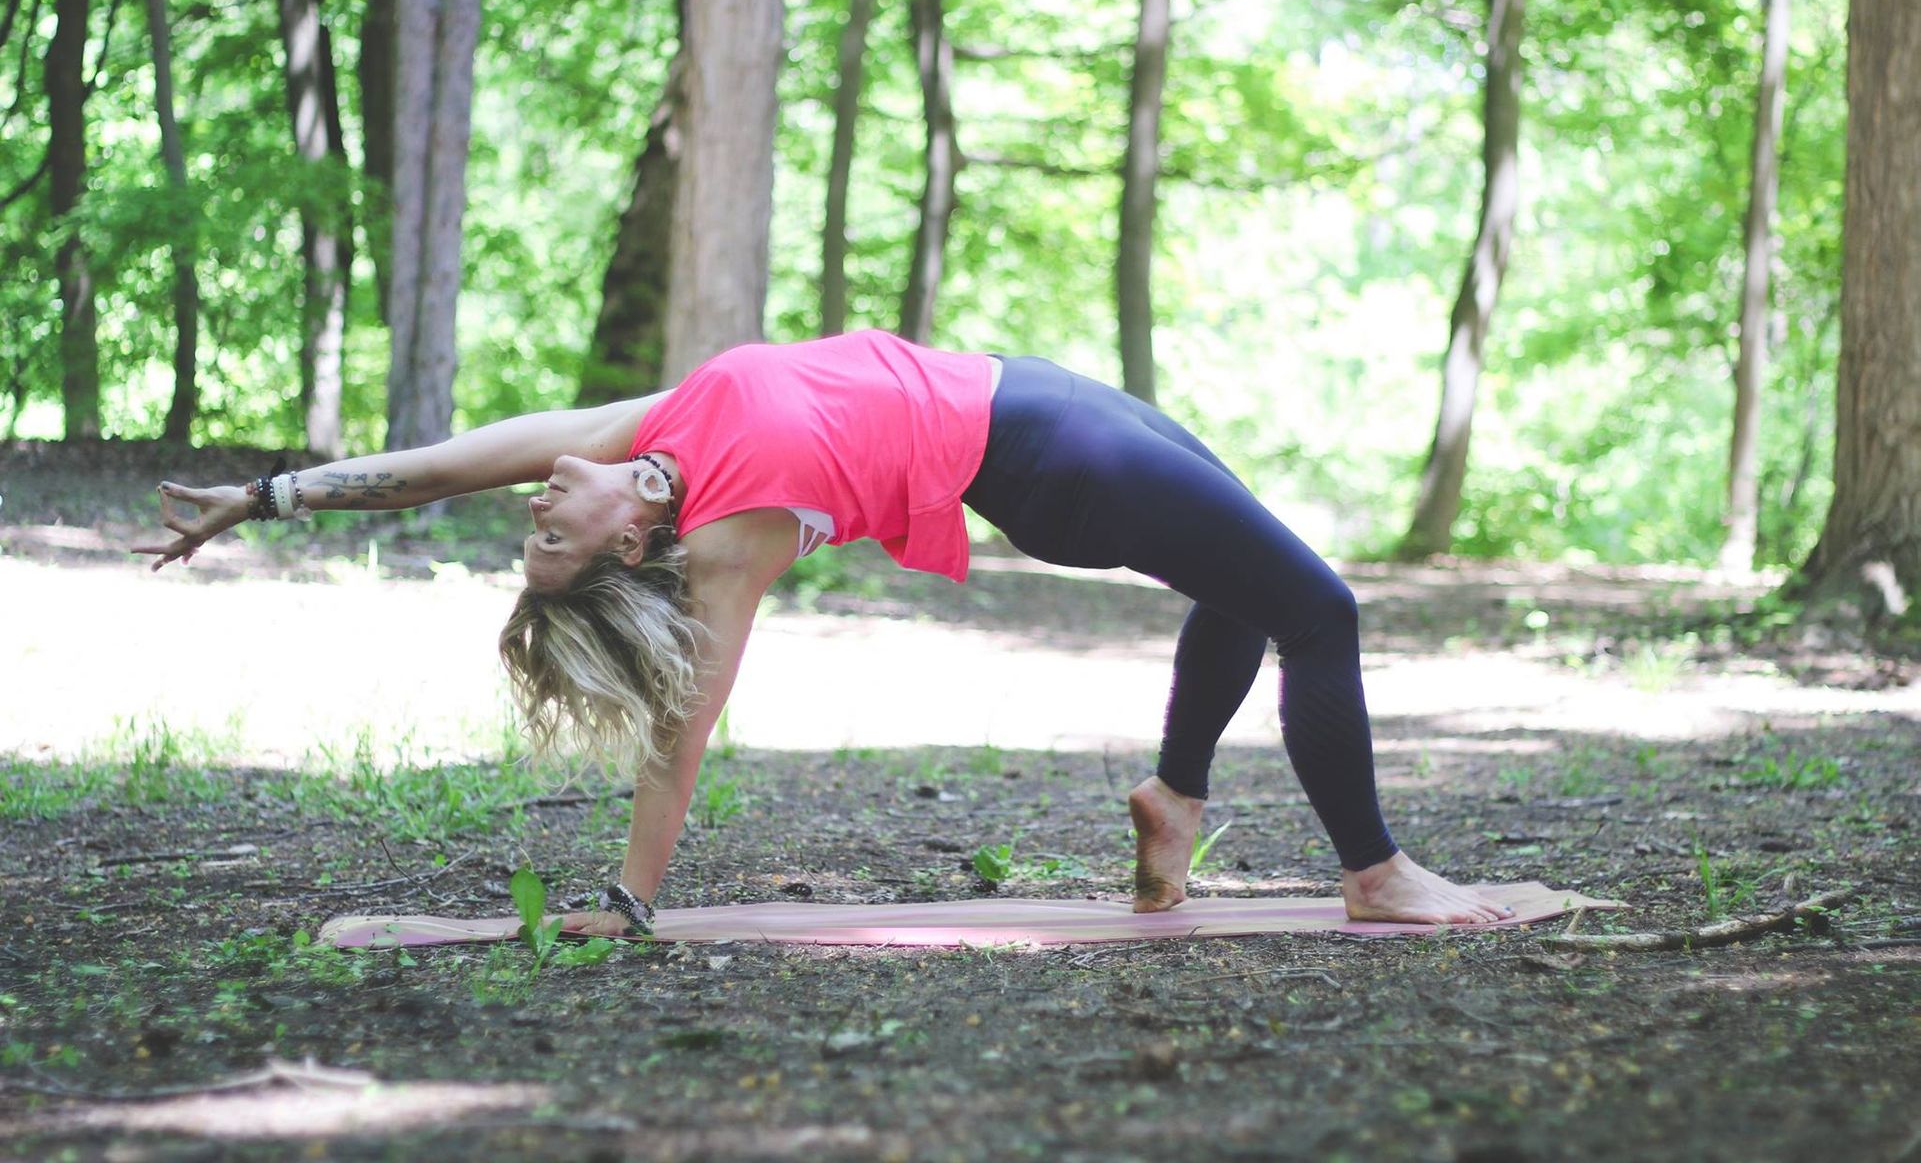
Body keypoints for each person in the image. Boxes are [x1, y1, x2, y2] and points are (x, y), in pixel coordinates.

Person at [140, 330, 1511, 936]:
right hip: (1051, 467)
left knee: (1250, 583)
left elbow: (449, 459)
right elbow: (683, 735)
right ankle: (1375, 871)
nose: (542, 498)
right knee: (1318, 610)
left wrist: (265, 498)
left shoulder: (643, 440)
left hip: (1043, 393)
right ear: (627, 547)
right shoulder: (733, 537)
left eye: (540, 516)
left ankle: (1175, 795)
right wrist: (631, 898)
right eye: (551, 533)